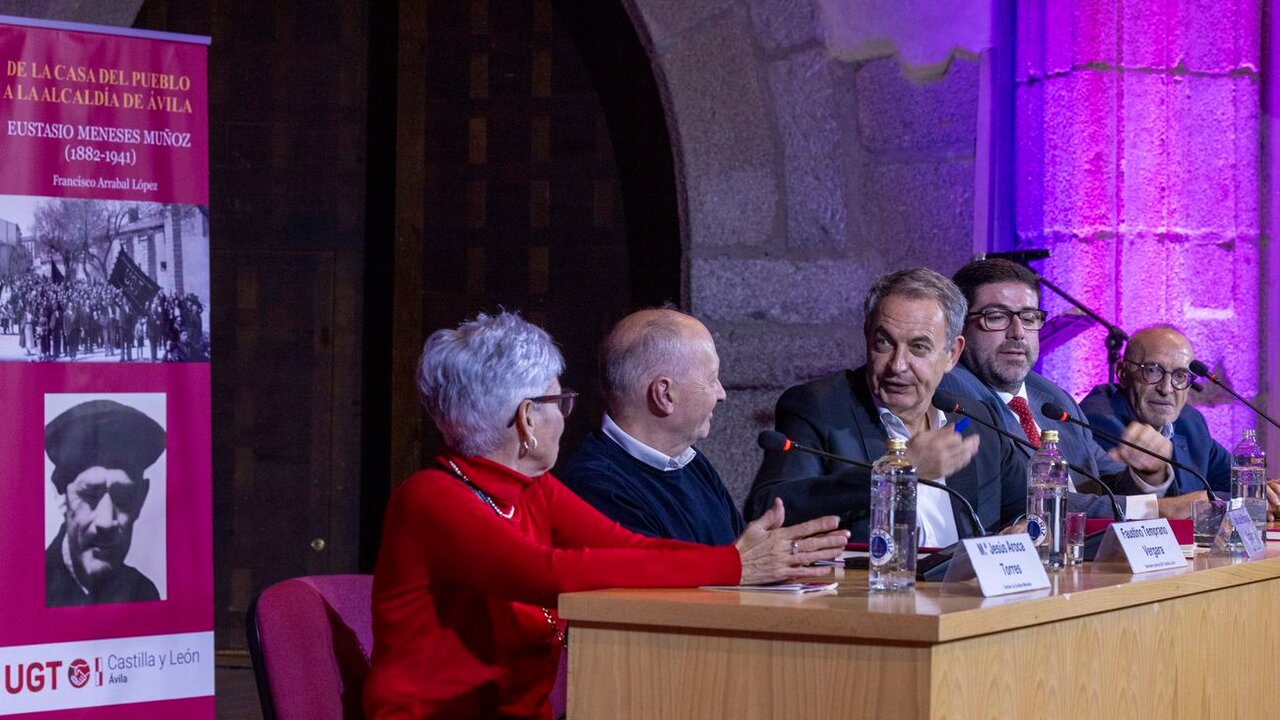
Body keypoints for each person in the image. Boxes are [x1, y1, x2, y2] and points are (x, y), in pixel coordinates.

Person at [364, 312, 847, 720]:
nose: (568, 414)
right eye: (560, 401)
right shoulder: (431, 498)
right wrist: (734, 566)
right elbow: (550, 574)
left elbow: (626, 545)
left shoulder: (534, 490)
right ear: (528, 419)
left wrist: (735, 560)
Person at [747, 268, 1026, 546]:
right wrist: (899, 471)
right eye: (884, 343)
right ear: (867, 336)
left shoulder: (973, 419)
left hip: (964, 589)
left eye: (918, 347)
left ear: (952, 354)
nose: (898, 365)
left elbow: (1030, 506)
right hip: (869, 587)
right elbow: (768, 510)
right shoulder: (820, 408)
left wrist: (1029, 528)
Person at [938, 258, 1204, 519]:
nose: (1018, 332)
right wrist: (1158, 509)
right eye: (996, 317)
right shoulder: (955, 392)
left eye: (1029, 317)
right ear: (959, 329)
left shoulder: (1054, 399)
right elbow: (1028, 502)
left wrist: (1148, 473)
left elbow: (1107, 482)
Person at [558, 308, 743, 545]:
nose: (722, 394)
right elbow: (662, 578)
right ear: (665, 394)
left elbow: (743, 556)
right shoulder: (595, 485)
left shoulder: (692, 462)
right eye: (711, 379)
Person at [1081, 326, 1238, 497]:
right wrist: (1206, 501)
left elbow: (1236, 483)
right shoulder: (1099, 420)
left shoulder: (1191, 421)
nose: (1166, 388)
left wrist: (1263, 492)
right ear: (1122, 373)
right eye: (1152, 370)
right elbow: (1152, 504)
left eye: (1180, 375)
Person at [45, 399, 165, 607]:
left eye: (124, 497)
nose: (106, 521)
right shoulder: (27, 591)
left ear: (141, 499)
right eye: (90, 496)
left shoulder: (144, 594)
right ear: (61, 495)